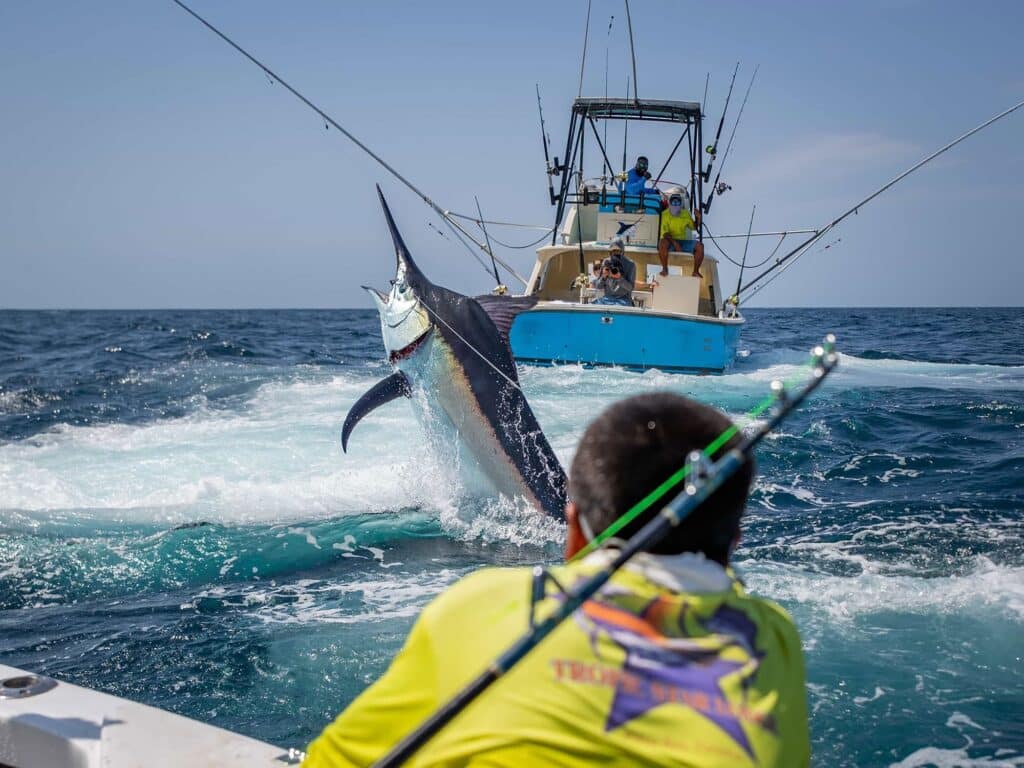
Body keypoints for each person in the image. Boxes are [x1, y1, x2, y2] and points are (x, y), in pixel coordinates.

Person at [302, 393, 811, 768]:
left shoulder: (482, 603)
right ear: (736, 538)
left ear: (572, 530)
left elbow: (331, 760)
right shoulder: (775, 638)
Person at [659, 189, 705, 278]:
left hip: (683, 242)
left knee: (700, 246)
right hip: (670, 242)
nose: (675, 205)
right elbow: (665, 234)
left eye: (677, 203)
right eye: (673, 202)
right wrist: (675, 243)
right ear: (669, 203)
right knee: (662, 243)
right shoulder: (664, 214)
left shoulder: (686, 214)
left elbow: (694, 228)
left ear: (681, 204)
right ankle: (665, 269)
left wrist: (698, 218)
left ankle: (695, 271)